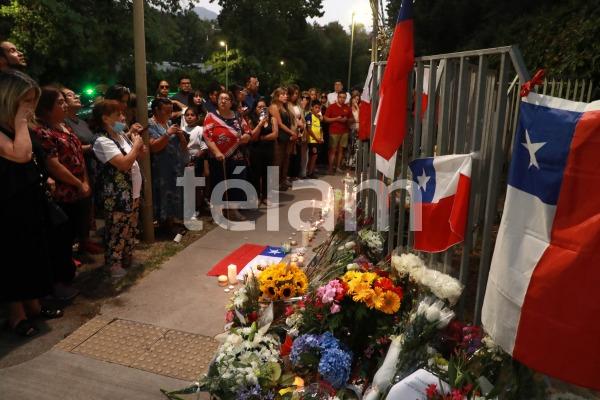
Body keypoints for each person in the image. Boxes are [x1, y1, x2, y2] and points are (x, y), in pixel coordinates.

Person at [0, 70, 62, 337]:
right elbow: (20, 153)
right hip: (8, 204)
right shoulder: (9, 127)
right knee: (14, 258)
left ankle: (34, 304)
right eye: (25, 100)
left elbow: (36, 155)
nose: (30, 106)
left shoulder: (20, 124)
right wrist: (20, 120)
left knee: (34, 252)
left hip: (30, 198)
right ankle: (17, 315)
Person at [34, 86, 89, 300]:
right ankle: (59, 283)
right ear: (46, 108)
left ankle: (67, 278)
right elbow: (54, 165)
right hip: (63, 192)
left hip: (77, 189)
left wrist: (84, 180)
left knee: (71, 234)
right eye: (59, 102)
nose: (64, 104)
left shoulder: (64, 126)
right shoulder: (43, 132)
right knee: (60, 240)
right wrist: (77, 182)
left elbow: (77, 154)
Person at [91, 100, 145, 278]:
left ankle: (127, 257)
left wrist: (135, 140)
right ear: (105, 118)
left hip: (132, 192)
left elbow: (138, 153)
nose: (123, 117)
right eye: (118, 115)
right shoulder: (101, 141)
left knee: (130, 227)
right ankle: (113, 264)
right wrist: (136, 147)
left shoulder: (121, 134)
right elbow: (123, 163)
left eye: (123, 114)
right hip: (115, 195)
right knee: (117, 229)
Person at [62, 87, 103, 256]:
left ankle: (85, 239)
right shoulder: (64, 123)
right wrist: (92, 147)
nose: (77, 96)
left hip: (89, 166)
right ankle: (77, 243)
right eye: (71, 95)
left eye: (75, 93)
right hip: (76, 168)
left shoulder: (81, 121)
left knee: (88, 205)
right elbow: (74, 146)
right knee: (79, 206)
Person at [203, 91, 252, 221]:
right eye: (221, 98)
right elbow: (207, 136)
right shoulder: (211, 116)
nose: (223, 101)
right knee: (219, 183)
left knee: (238, 181)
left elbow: (247, 132)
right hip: (218, 157)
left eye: (226, 99)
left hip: (237, 156)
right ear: (217, 101)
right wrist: (217, 152)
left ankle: (233, 210)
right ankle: (218, 212)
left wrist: (245, 137)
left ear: (231, 102)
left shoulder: (238, 116)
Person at [148, 97, 188, 232]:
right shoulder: (150, 125)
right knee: (163, 194)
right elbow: (153, 147)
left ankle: (173, 220)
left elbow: (182, 146)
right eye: (166, 111)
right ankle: (164, 223)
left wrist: (181, 137)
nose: (169, 114)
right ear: (156, 110)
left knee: (176, 193)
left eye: (171, 111)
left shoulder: (169, 122)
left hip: (175, 166)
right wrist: (167, 134)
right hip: (161, 168)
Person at [248, 97, 278, 207]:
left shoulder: (272, 119)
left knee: (267, 174)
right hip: (256, 149)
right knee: (256, 174)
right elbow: (254, 137)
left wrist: (263, 138)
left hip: (268, 150)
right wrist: (260, 124)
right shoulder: (252, 120)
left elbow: (275, 134)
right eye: (259, 107)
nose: (261, 109)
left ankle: (265, 197)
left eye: (263, 107)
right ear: (255, 108)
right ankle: (256, 196)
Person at [269, 87, 296, 191]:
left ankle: (282, 181)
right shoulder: (274, 107)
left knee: (286, 159)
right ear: (277, 96)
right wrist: (291, 132)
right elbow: (279, 124)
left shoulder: (285, 106)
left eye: (286, 94)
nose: (286, 96)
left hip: (286, 137)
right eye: (283, 94)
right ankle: (273, 184)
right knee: (277, 161)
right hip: (279, 137)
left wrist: (291, 133)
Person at [183, 106, 208, 215]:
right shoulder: (182, 130)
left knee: (196, 186)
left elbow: (204, 148)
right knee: (186, 186)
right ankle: (188, 207)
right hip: (184, 161)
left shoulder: (200, 130)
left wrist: (194, 158)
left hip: (196, 162)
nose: (189, 117)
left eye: (192, 115)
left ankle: (197, 207)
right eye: (187, 115)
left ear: (197, 117)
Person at [324, 91, 352, 174]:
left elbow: (352, 119)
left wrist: (347, 120)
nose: (342, 99)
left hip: (345, 131)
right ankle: (330, 168)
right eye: (340, 97)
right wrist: (336, 119)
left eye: (344, 97)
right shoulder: (331, 107)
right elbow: (325, 119)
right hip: (334, 131)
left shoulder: (347, 108)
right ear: (337, 97)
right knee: (333, 150)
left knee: (341, 150)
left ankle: (338, 167)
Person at [305, 100, 324, 178]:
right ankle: (309, 172)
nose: (317, 109)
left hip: (318, 140)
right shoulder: (309, 116)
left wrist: (321, 138)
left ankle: (311, 171)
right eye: (316, 107)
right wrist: (316, 138)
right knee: (313, 156)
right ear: (312, 107)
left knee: (315, 156)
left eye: (319, 108)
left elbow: (320, 129)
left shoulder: (319, 117)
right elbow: (309, 129)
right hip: (312, 140)